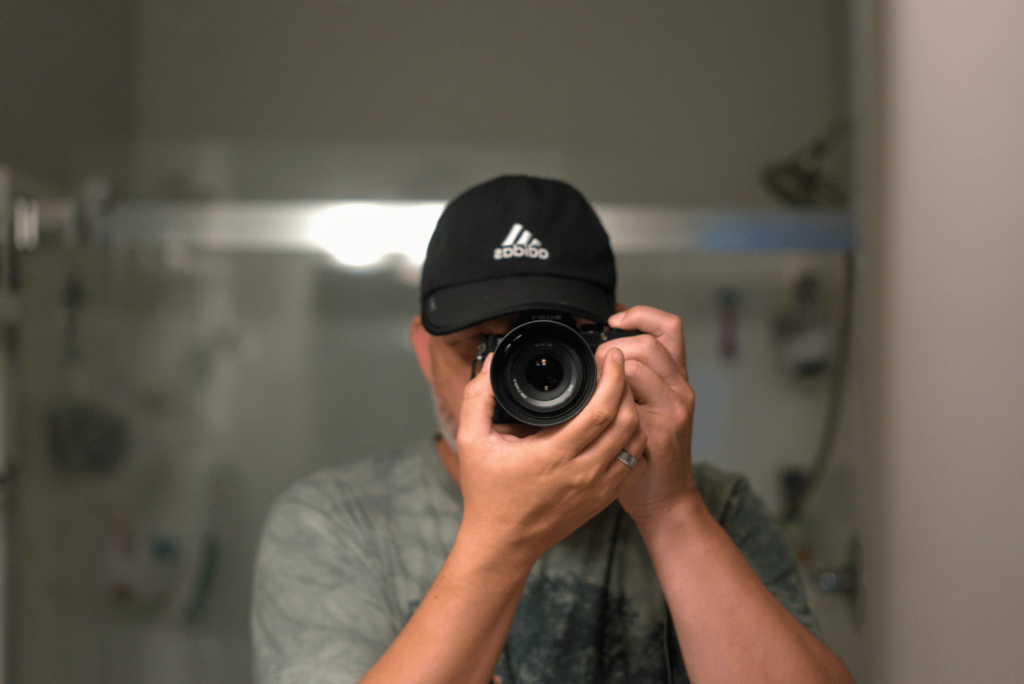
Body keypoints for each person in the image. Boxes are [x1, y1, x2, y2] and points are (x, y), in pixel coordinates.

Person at [251, 176, 854, 684]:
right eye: (480, 349)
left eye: (552, 351)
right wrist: (501, 538)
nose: (516, 380)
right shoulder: (333, 522)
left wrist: (670, 511)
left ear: (618, 343)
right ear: (423, 351)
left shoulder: (715, 509)